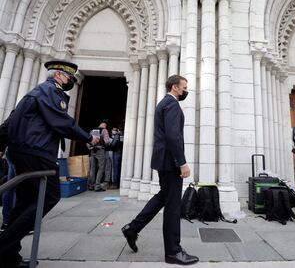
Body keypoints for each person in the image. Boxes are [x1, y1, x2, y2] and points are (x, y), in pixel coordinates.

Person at [0, 60, 99, 267]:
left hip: (23, 152)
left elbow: (8, 123)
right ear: (58, 76)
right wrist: (88, 138)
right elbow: (62, 122)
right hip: (37, 154)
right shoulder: (50, 91)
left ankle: (9, 254)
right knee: (50, 196)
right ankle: (3, 245)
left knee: (26, 201)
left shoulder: (34, 92)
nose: (71, 81)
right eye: (68, 77)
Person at [121, 75, 199, 265]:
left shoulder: (163, 103)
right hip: (171, 163)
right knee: (173, 207)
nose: (185, 91)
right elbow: (173, 137)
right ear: (174, 87)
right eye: (184, 87)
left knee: (163, 197)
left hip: (163, 160)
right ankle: (173, 251)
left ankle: (133, 228)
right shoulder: (171, 105)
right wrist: (182, 162)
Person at [88, 122, 110, 191]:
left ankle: (91, 185)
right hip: (100, 150)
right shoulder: (104, 130)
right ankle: (97, 186)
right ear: (104, 126)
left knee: (92, 168)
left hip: (92, 150)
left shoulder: (92, 130)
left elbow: (87, 140)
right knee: (101, 168)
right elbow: (107, 141)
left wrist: (90, 147)